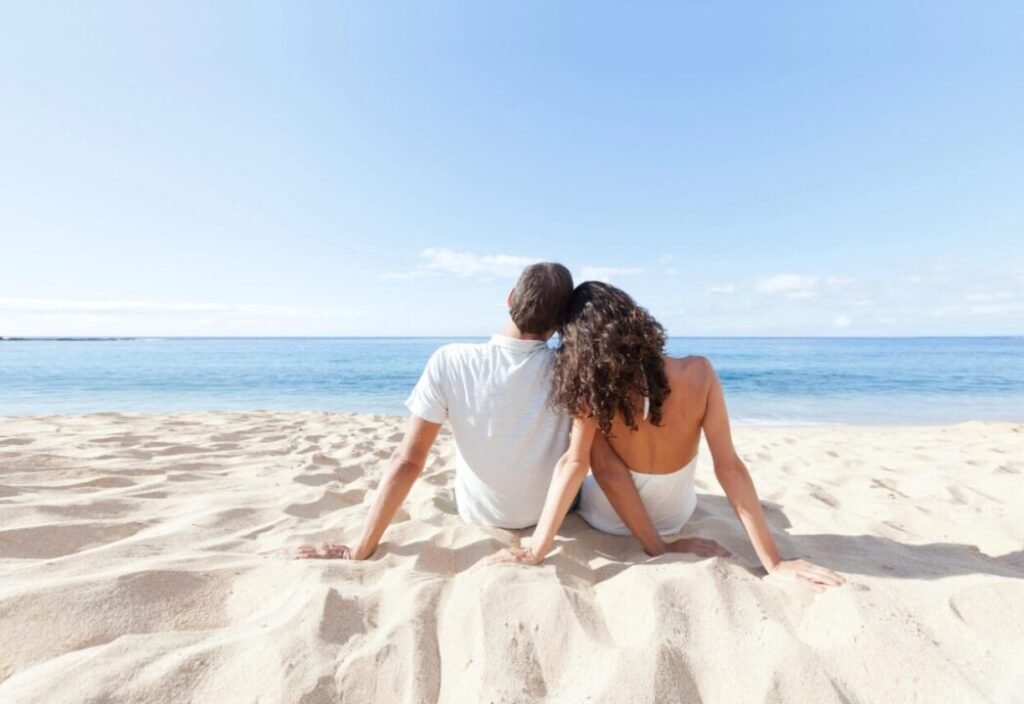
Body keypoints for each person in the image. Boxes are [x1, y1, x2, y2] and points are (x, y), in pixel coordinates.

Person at [490, 281, 845, 592]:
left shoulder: (593, 391)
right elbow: (730, 468)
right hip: (677, 514)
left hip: (610, 520)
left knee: (585, 458)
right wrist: (774, 562)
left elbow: (585, 467)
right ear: (634, 318)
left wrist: (537, 550)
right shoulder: (700, 372)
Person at [297, 262, 574, 560]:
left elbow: (408, 460)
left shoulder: (450, 360)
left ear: (510, 298)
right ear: (561, 321)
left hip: (478, 512)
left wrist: (361, 547)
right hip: (548, 512)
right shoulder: (571, 367)